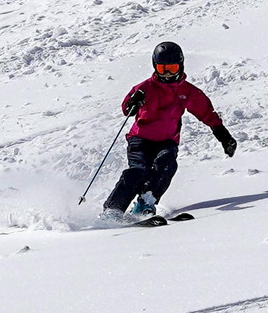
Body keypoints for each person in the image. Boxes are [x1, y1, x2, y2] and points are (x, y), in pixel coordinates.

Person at [102, 41, 237, 219]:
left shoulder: (187, 91)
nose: (166, 74)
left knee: (166, 164)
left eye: (172, 68)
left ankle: (146, 202)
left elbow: (206, 113)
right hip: (140, 140)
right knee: (138, 171)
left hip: (167, 141)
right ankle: (113, 210)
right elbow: (127, 109)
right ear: (155, 67)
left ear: (180, 66)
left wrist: (224, 136)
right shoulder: (145, 88)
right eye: (162, 68)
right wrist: (133, 102)